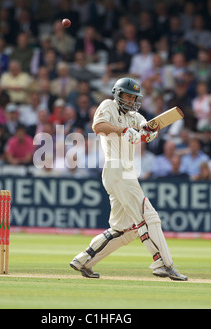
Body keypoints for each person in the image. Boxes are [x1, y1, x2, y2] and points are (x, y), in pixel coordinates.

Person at [70, 77, 187, 281]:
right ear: (117, 94)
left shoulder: (135, 116)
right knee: (149, 217)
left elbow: (145, 130)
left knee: (125, 230)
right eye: (127, 96)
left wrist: (149, 134)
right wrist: (123, 131)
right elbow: (98, 127)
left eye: (134, 97)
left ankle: (84, 261)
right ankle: (163, 263)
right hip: (116, 169)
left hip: (127, 173)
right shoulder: (108, 106)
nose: (131, 100)